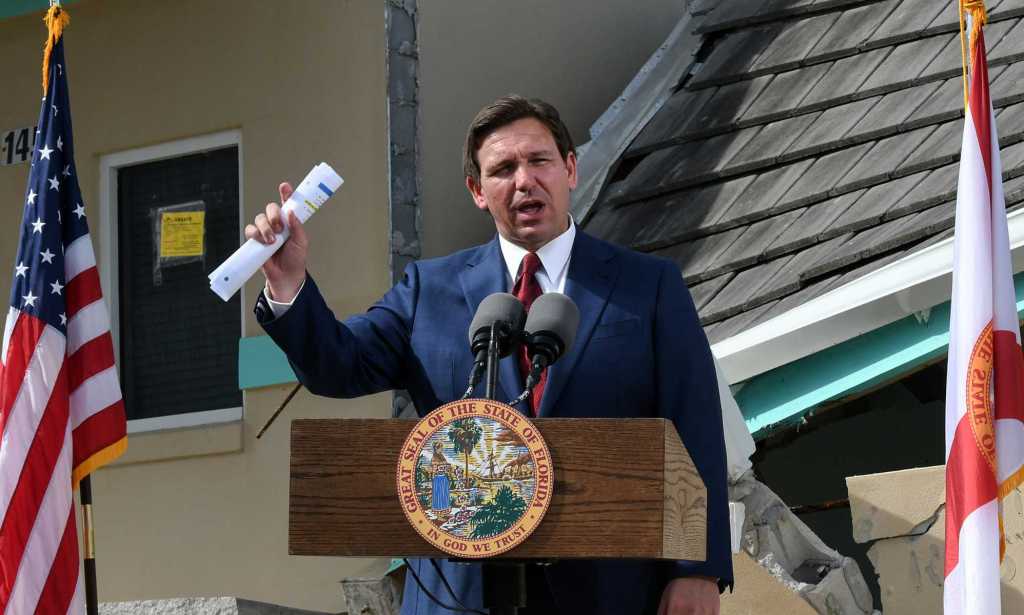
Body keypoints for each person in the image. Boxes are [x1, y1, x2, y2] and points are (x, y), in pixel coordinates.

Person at [249, 95, 732, 615]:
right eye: (502, 169)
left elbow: (694, 428)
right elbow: (338, 366)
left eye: (539, 161)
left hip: (608, 589)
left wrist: (697, 570)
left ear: (569, 168)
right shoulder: (427, 291)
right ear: (478, 192)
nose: (524, 180)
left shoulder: (647, 286)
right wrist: (289, 282)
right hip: (462, 593)